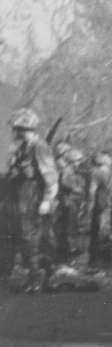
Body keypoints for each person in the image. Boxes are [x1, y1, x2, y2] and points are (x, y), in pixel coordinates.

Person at [1, 108, 58, 291]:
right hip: (21, 199)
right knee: (20, 238)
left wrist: (47, 201)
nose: (14, 132)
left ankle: (38, 278)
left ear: (23, 128)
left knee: (31, 239)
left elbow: (51, 177)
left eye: (16, 128)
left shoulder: (39, 147)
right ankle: (31, 276)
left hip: (33, 199)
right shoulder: (23, 148)